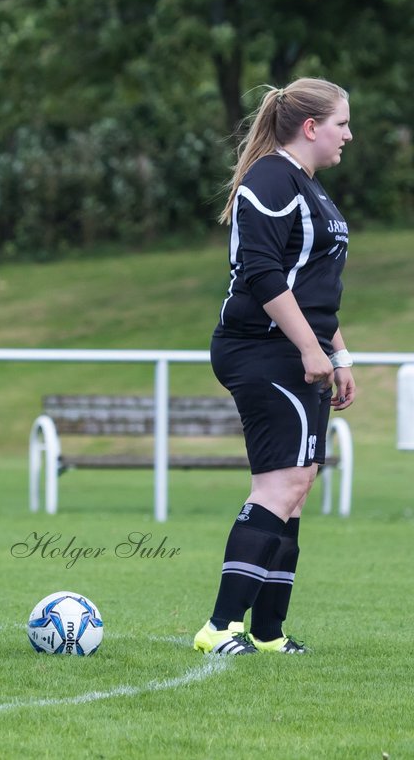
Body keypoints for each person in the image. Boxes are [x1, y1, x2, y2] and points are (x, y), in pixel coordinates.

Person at [194, 77, 356, 655]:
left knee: (297, 485)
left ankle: (267, 632)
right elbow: (261, 274)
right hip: (260, 348)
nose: (349, 135)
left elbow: (312, 288)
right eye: (341, 124)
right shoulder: (269, 178)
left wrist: (337, 352)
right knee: (280, 483)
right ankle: (219, 629)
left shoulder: (311, 188)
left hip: (297, 351)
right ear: (310, 128)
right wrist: (310, 349)